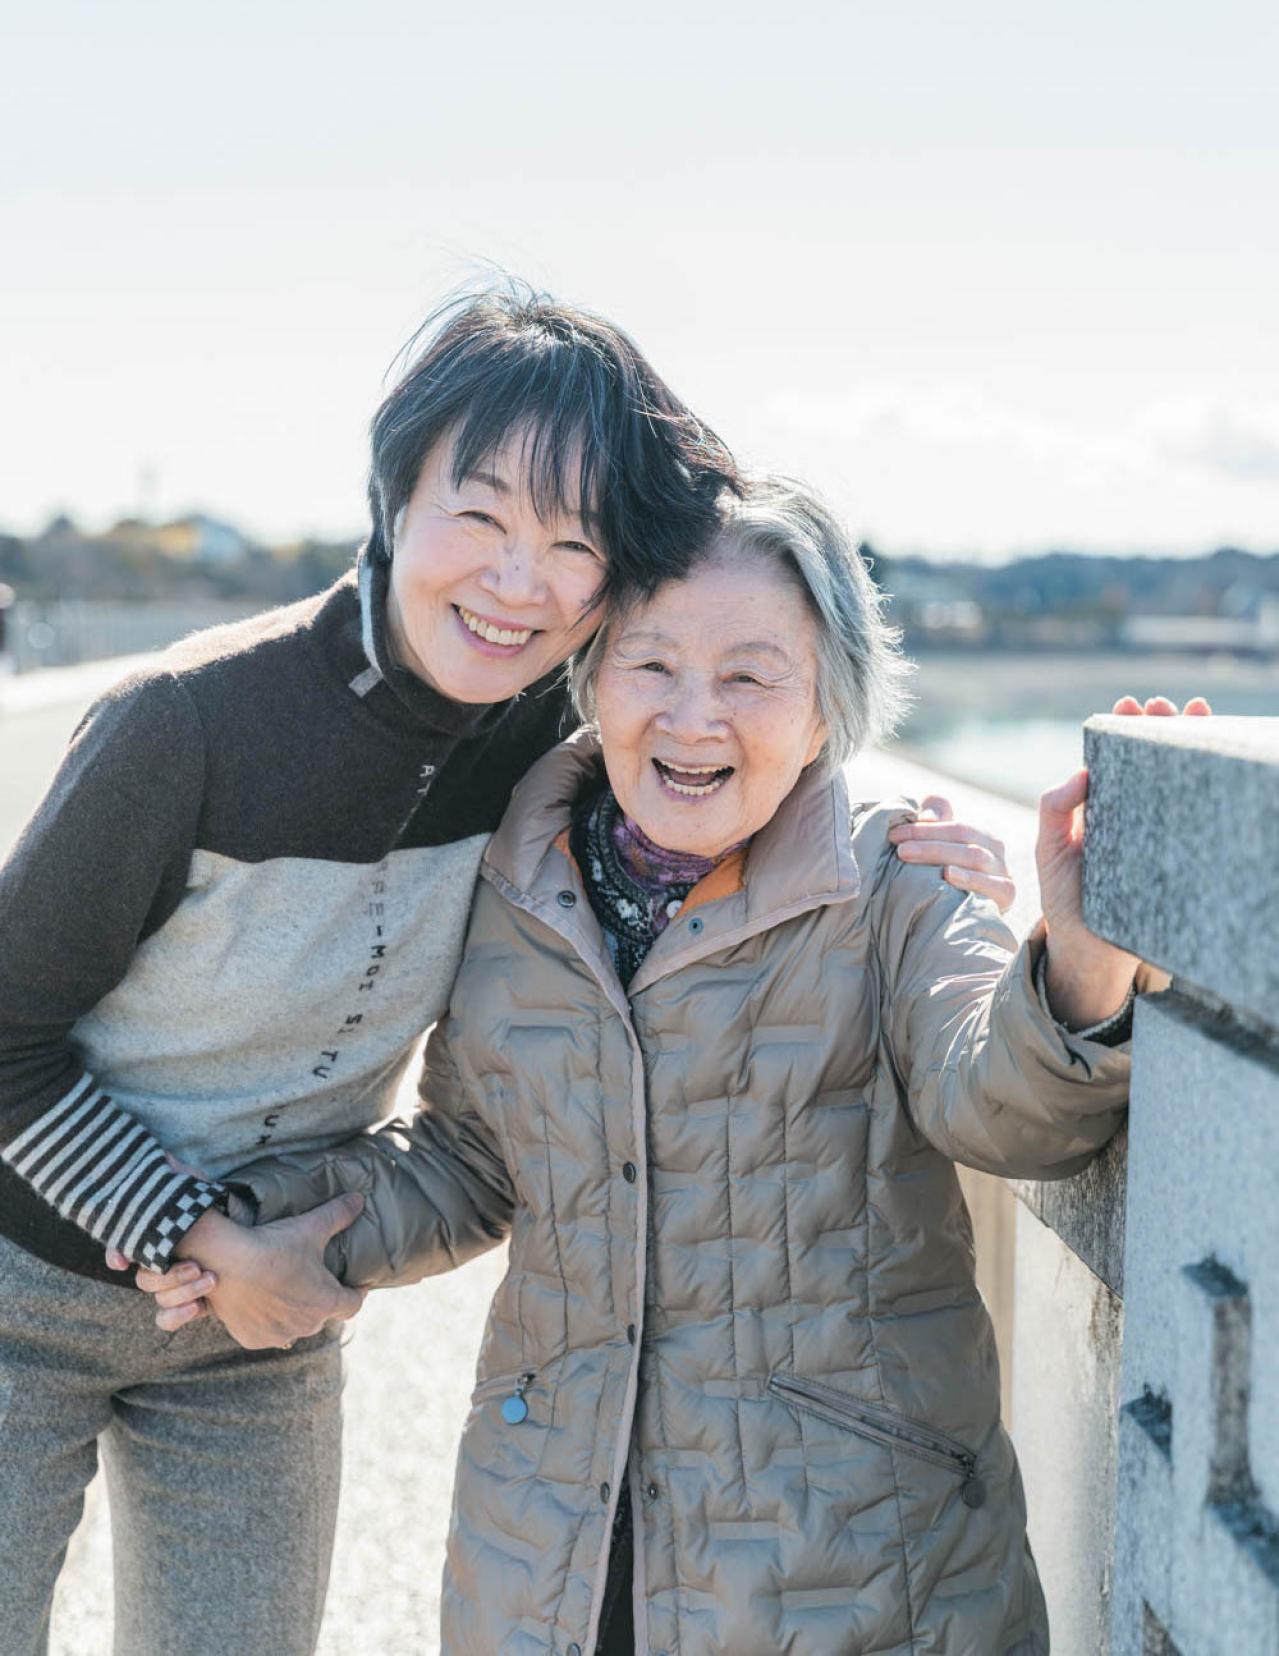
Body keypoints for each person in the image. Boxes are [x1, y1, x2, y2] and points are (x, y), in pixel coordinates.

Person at [0, 292, 1006, 1656]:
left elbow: (737, 673)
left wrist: (891, 840)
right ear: (391, 500)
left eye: (574, 542)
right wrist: (197, 1234)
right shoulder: (187, 726)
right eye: (477, 517)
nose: (519, 584)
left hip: (266, 1310)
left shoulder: (541, 738)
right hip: (33, 1280)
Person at [152, 476, 1188, 1654]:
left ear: (828, 709)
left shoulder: (896, 879)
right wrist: (246, 1218)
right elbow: (470, 1163)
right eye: (651, 665)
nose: (695, 719)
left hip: (849, 1564)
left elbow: (999, 1108)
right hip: (552, 1544)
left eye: (750, 676)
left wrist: (1080, 960)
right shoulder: (516, 883)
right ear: (591, 679)